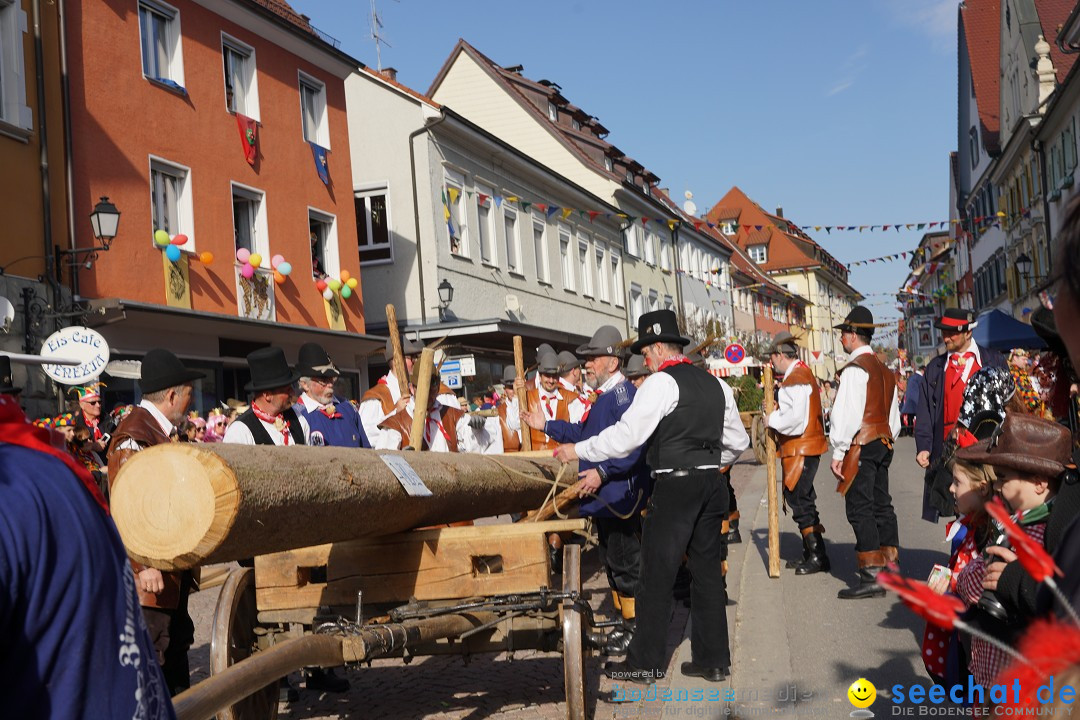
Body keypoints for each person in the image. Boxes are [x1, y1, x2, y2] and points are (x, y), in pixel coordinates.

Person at [554, 309, 749, 684]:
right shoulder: (716, 385)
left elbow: (627, 436)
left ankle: (644, 663)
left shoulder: (661, 384)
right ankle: (714, 661)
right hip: (710, 485)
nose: (644, 360)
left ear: (659, 347)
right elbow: (738, 442)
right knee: (706, 574)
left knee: (655, 576)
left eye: (647, 351)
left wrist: (579, 450)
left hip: (675, 486)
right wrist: (706, 462)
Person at [0, 391, 176, 719]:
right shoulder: (51, 463)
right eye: (92, 402)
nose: (98, 406)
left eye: (99, 402)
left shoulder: (22, 473)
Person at [522, 326, 651, 655]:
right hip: (608, 497)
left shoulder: (621, 396)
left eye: (593, 358)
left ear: (612, 361)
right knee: (614, 561)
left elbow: (633, 449)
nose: (587, 365)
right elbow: (584, 432)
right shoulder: (608, 396)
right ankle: (627, 624)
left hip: (618, 494)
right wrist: (546, 426)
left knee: (624, 563)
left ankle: (636, 632)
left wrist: (602, 472)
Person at [107, 348, 205, 695]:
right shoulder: (134, 436)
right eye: (189, 394)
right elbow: (124, 508)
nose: (192, 403)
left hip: (169, 570)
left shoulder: (157, 432)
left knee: (174, 653)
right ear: (172, 395)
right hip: (151, 578)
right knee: (154, 660)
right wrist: (142, 566)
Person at [954, 413, 1072, 687]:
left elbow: (970, 585)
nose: (995, 486)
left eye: (1003, 478)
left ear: (1040, 482)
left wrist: (981, 563)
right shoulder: (1050, 527)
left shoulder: (1026, 536)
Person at [828, 306, 901, 600]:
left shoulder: (856, 370)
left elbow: (846, 414)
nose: (842, 338)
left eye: (844, 332)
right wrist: (888, 438)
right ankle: (891, 568)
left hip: (862, 442)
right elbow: (893, 419)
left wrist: (838, 450)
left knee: (860, 506)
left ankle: (872, 574)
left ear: (854, 335)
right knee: (882, 504)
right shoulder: (885, 371)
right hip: (883, 441)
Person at [915, 308, 1006, 521]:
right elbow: (925, 410)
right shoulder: (936, 368)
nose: (945, 337)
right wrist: (924, 446)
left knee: (992, 504)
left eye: (951, 332)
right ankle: (963, 552)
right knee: (958, 505)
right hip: (951, 452)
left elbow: (1007, 402)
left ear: (968, 332)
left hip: (987, 448)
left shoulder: (992, 359)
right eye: (943, 332)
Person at [764, 332, 830, 575]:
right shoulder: (799, 374)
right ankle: (812, 552)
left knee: (799, 499)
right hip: (804, 447)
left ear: (780, 355)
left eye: (772, 357)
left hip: (801, 447)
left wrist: (771, 419)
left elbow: (795, 420)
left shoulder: (795, 379)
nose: (772, 362)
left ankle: (817, 555)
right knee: (802, 498)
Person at [376, 362, 502, 453]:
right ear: (412, 388)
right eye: (424, 391)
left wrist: (477, 431)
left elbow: (476, 450)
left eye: (433, 391)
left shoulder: (452, 415)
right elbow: (383, 464)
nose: (429, 396)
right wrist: (402, 460)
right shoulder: (396, 424)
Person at [359, 337, 457, 448]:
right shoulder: (376, 398)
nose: (416, 361)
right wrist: (395, 413)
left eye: (416, 357)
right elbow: (367, 437)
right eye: (411, 357)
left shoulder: (437, 392)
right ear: (397, 361)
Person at [223, 347, 310, 446]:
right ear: (268, 395)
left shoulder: (298, 419)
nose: (293, 393)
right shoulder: (240, 431)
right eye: (286, 390)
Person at [292, 342, 370, 449]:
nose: (330, 385)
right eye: (323, 380)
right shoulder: (296, 417)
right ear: (305, 384)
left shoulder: (348, 408)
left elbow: (366, 451)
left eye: (332, 379)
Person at [509, 352, 586, 450]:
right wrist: (516, 396)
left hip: (561, 459)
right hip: (532, 460)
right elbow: (513, 425)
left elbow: (580, 433)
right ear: (540, 377)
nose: (551, 380)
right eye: (547, 376)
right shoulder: (527, 397)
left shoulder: (572, 399)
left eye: (554, 376)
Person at [71, 382, 108, 452]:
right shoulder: (74, 424)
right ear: (82, 405)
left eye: (99, 402)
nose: (98, 405)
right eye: (93, 403)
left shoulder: (109, 421)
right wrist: (92, 446)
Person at [496, 366, 522, 452]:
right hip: (510, 458)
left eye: (517, 387)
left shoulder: (530, 404)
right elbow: (515, 425)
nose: (514, 390)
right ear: (505, 389)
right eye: (511, 387)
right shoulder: (499, 411)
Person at [900, 365, 924, 438]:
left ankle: (908, 431)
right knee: (918, 416)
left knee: (909, 416)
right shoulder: (920, 378)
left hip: (909, 399)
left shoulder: (911, 378)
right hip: (916, 399)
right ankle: (915, 431)